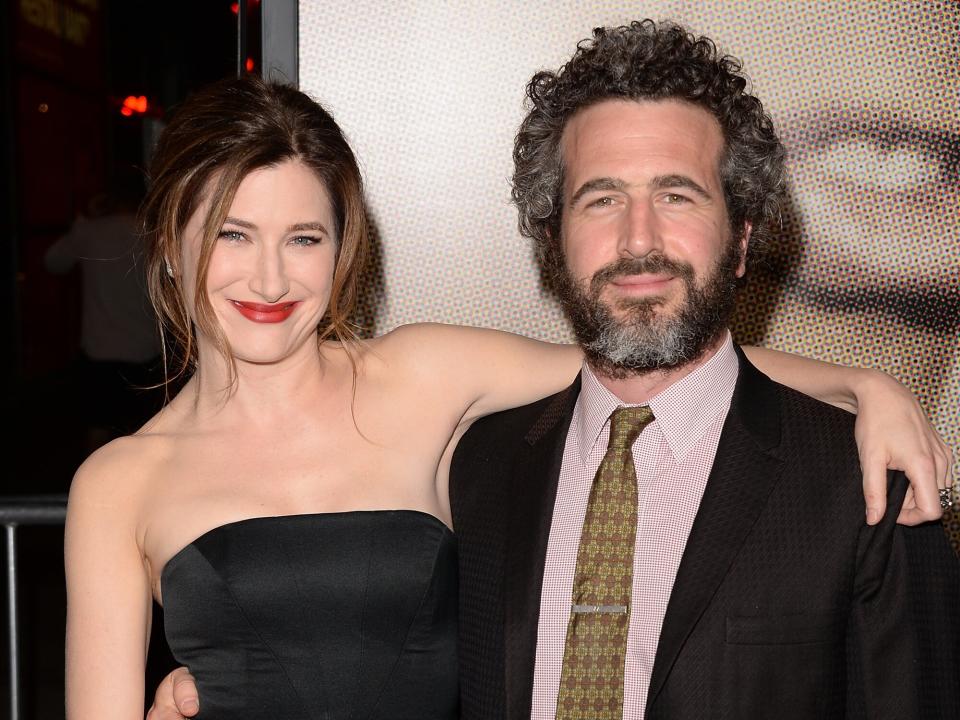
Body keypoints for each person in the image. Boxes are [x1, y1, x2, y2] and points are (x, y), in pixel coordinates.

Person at [79, 75, 947, 720]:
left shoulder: (421, 376)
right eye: (234, 234)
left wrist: (860, 383)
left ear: (341, 250)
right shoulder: (117, 484)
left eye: (303, 237)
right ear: (169, 246)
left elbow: (641, 350)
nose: (269, 276)